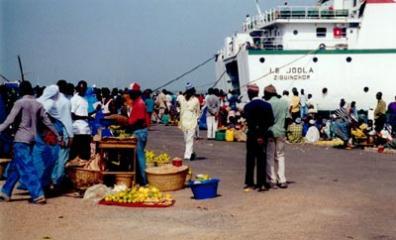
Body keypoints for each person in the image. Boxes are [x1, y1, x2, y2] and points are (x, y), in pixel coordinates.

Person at [0, 81, 60, 204]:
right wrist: (57, 134)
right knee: (17, 166)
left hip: (21, 139)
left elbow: (9, 120)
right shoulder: (38, 104)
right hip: (32, 139)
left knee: (26, 167)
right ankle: (5, 191)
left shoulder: (20, 103)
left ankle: (37, 194)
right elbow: (47, 122)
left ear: (21, 91)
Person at [243, 84, 274, 192]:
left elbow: (250, 123)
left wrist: (256, 134)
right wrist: (261, 134)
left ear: (250, 94)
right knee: (262, 159)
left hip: (252, 136)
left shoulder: (247, 106)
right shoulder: (267, 105)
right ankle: (261, 183)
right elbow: (271, 121)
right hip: (263, 135)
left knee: (250, 160)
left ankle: (249, 183)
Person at [32, 85, 63, 189]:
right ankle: (44, 183)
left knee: (38, 159)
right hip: (46, 134)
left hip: (38, 133)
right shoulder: (49, 104)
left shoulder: (37, 102)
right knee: (50, 158)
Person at [264, 85, 289, 189]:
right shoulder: (284, 103)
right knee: (280, 156)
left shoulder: (267, 104)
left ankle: (272, 180)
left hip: (270, 132)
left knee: (269, 155)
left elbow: (264, 121)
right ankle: (282, 180)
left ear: (267, 94)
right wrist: (285, 130)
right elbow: (288, 119)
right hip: (281, 132)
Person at [125, 83, 150, 186]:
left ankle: (144, 181)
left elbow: (139, 120)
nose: (129, 95)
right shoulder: (136, 102)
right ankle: (140, 179)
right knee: (137, 156)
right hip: (138, 131)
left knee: (140, 157)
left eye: (131, 93)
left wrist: (128, 125)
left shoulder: (139, 103)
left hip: (139, 132)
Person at [52, 80, 74, 187]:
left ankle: (53, 178)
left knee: (55, 158)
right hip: (64, 132)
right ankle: (58, 181)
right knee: (63, 158)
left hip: (53, 132)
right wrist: (70, 136)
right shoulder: (66, 102)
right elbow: (67, 120)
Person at [70, 80, 91, 161]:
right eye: (81, 89)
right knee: (75, 154)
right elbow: (73, 115)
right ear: (78, 89)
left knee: (85, 155)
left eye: (84, 89)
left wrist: (94, 112)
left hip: (86, 130)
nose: (82, 90)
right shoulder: (74, 99)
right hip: (77, 130)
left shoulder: (85, 99)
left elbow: (84, 113)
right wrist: (85, 117)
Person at [179, 83, 200, 161]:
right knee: (186, 139)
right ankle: (190, 152)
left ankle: (187, 155)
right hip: (184, 121)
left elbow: (198, 111)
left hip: (192, 121)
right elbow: (180, 108)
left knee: (190, 139)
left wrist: (196, 119)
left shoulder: (196, 100)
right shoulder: (182, 99)